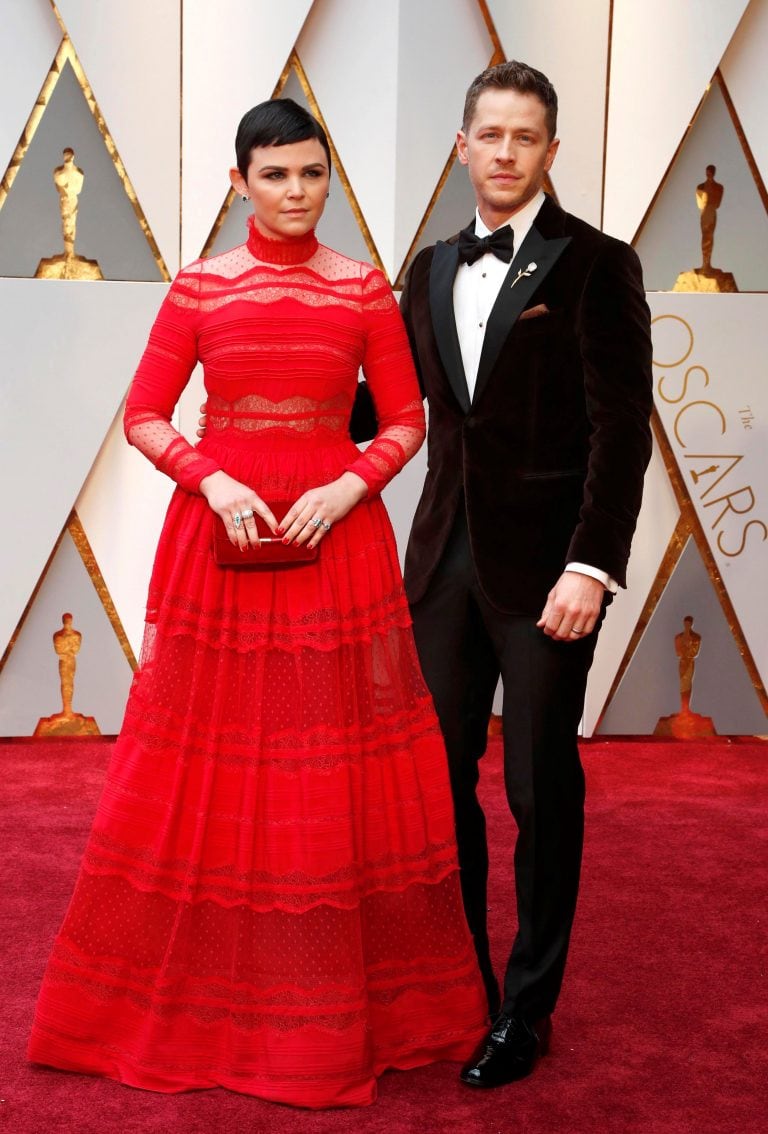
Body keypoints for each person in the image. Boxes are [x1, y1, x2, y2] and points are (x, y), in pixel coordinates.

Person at [28, 98, 487, 1110]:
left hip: (336, 545)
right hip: (219, 540)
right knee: (210, 764)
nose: (295, 193)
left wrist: (348, 484)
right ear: (240, 182)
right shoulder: (199, 287)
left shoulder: (364, 286)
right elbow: (145, 416)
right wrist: (213, 477)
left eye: (311, 175)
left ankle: (332, 1009)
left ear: (330, 180)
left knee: (326, 766)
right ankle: (208, 1001)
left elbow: (408, 424)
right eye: (275, 175)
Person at [398, 61, 654, 1088]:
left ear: (551, 152)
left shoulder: (597, 265)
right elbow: (387, 410)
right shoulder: (424, 271)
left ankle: (525, 1010)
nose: (504, 154)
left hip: (552, 573)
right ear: (461, 147)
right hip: (441, 570)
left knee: (538, 790)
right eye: (489, 135)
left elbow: (621, 435)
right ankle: (458, 987)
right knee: (434, 788)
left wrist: (592, 565)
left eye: (525, 138)